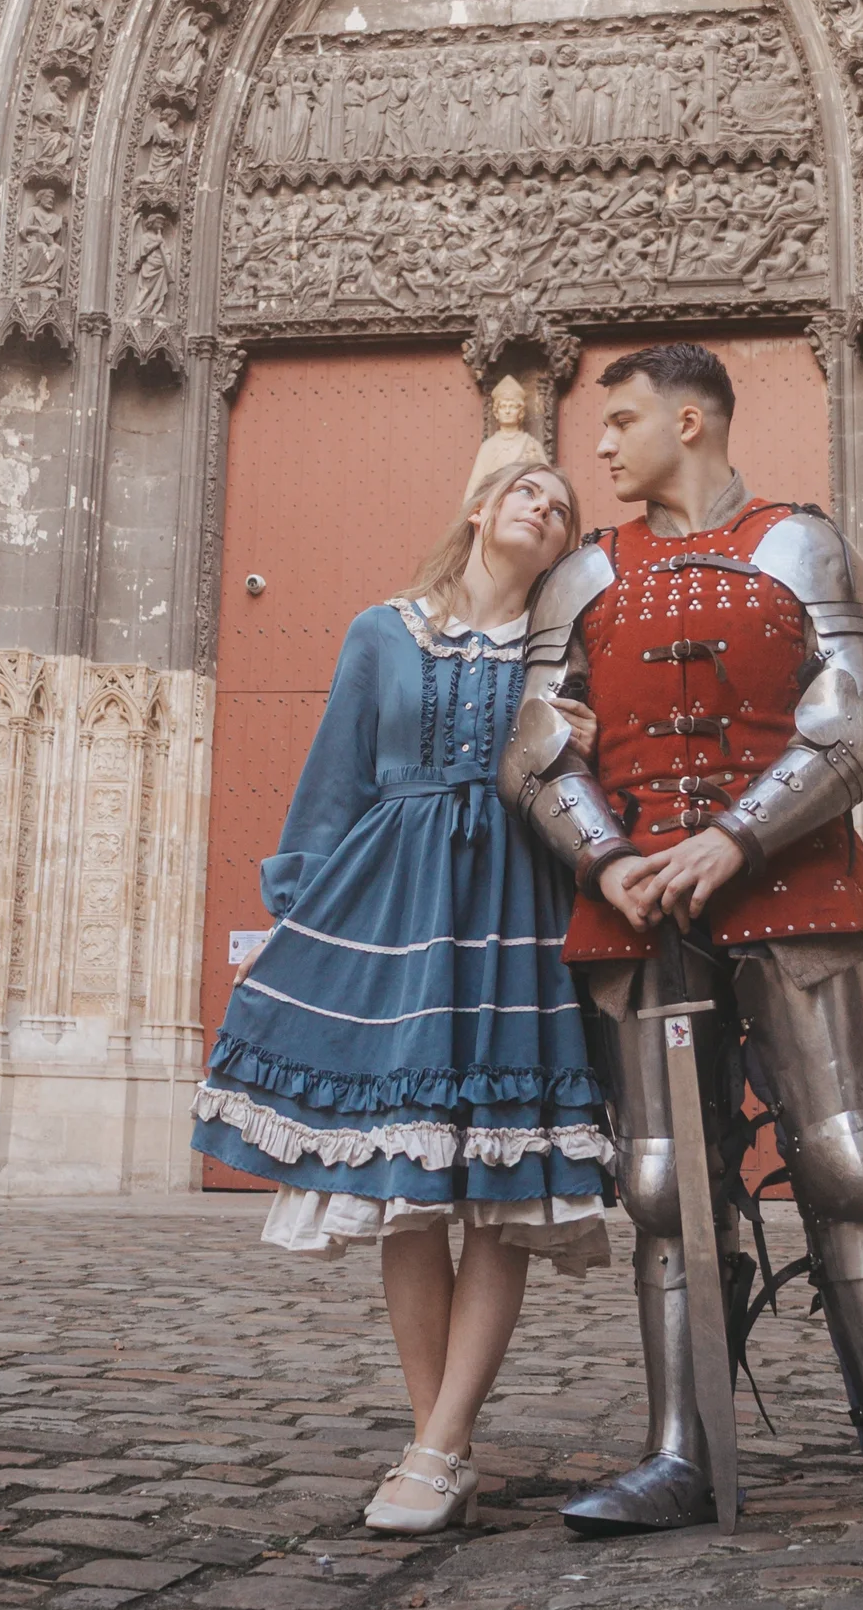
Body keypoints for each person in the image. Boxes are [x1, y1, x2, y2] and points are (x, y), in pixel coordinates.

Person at [502, 343, 863, 1531]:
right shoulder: (581, 575)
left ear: (693, 420)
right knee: (667, 1183)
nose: (603, 446)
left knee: (849, 1161)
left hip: (792, 885)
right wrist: (611, 858)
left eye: (621, 421)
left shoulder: (801, 544)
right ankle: (680, 1450)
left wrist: (733, 838)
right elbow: (532, 751)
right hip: (638, 907)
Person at [193, 433, 612, 1536]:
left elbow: (589, 796)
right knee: (406, 1193)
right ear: (478, 509)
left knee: (501, 1193)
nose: (546, 510)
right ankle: (441, 1442)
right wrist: (304, 919)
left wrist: (579, 744)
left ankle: (432, 1448)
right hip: (392, 912)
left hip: (514, 918)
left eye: (563, 508)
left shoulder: (562, 654)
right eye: (528, 492)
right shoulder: (382, 631)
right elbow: (333, 780)